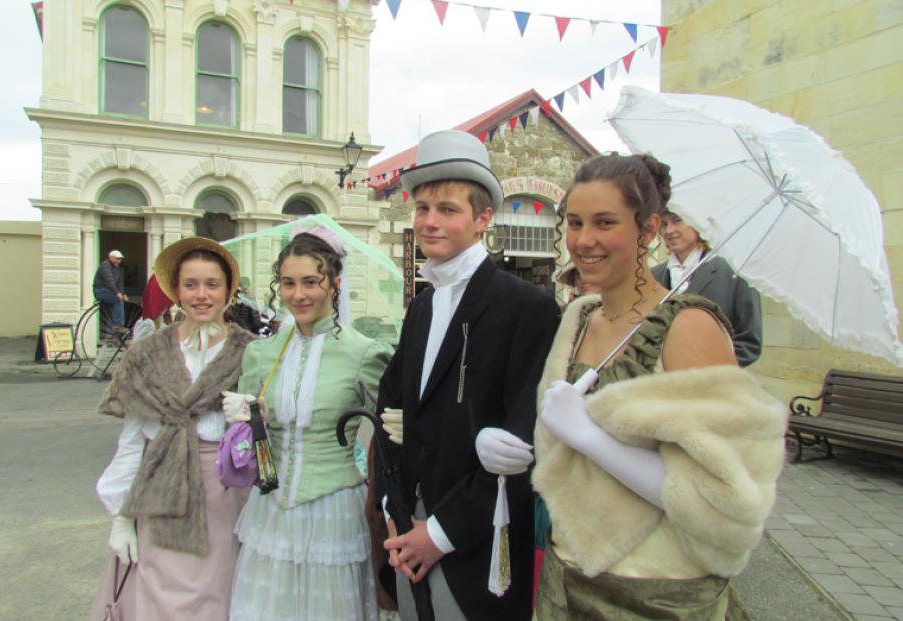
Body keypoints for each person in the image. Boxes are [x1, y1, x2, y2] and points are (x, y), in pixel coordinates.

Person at [532, 153, 786, 619]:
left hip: (654, 597)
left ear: (647, 230)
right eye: (574, 222)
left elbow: (726, 500)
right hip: (564, 583)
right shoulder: (578, 317)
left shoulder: (689, 327)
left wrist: (590, 437)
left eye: (605, 222)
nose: (583, 240)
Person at [374, 129, 559, 620]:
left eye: (447, 209)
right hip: (409, 530)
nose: (429, 222)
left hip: (474, 542)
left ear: (482, 220)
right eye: (422, 209)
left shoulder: (528, 307)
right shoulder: (423, 305)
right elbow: (390, 406)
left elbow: (525, 439)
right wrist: (395, 507)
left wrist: (438, 535)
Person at [224, 229, 392, 621]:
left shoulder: (365, 353)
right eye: (288, 283)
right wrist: (243, 422)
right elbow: (245, 440)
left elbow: (393, 433)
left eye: (310, 282)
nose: (298, 295)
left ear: (335, 283)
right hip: (271, 510)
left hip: (334, 509)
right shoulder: (259, 354)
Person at [89, 237, 256, 620]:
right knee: (157, 597)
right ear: (175, 290)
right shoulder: (146, 353)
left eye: (212, 284)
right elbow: (133, 442)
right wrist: (120, 515)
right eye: (191, 284)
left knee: (221, 596)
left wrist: (252, 417)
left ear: (229, 290)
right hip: (159, 495)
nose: (201, 295)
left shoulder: (251, 352)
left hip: (227, 496)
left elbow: (272, 436)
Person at [652, 210, 763, 366]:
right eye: (663, 224)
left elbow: (748, 343)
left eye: (677, 221)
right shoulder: (652, 276)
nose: (669, 231)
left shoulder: (735, 273)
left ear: (697, 222)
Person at [93, 249, 129, 334]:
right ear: (111, 257)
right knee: (117, 299)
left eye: (120, 259)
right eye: (117, 258)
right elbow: (109, 281)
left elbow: (119, 283)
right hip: (100, 291)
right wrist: (117, 293)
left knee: (114, 306)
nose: (119, 261)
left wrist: (123, 294)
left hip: (109, 291)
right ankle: (117, 325)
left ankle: (110, 332)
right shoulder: (105, 266)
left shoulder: (116, 268)